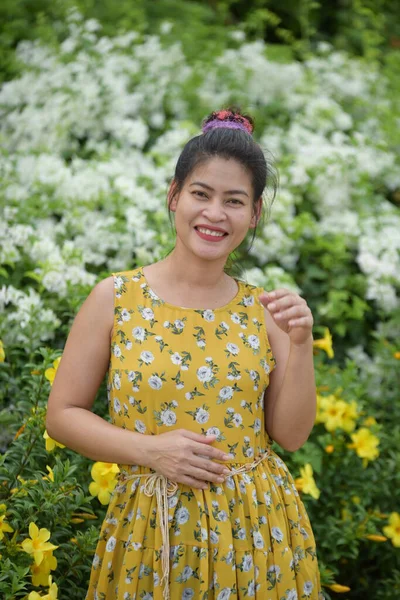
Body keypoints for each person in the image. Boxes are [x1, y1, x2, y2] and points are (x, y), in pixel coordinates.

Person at [46, 107, 324, 600]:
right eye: (201, 194)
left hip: (256, 531)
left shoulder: (265, 311)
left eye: (234, 201)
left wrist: (300, 347)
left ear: (254, 213)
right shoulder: (115, 297)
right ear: (174, 196)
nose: (215, 214)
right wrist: (151, 451)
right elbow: (62, 415)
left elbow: (292, 435)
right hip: (148, 529)